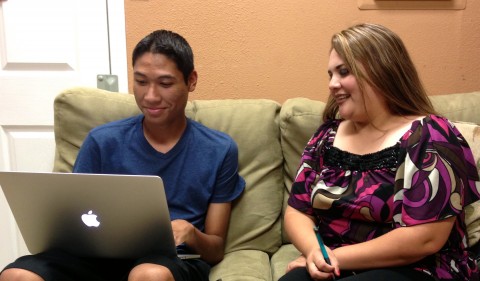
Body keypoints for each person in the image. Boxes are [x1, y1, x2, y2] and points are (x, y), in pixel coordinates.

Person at [0, 30, 245, 281]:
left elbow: (215, 249)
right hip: (95, 259)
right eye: (140, 81)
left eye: (165, 83)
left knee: (148, 275)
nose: (150, 96)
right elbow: (73, 220)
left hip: (170, 262)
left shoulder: (219, 149)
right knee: (17, 275)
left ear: (191, 80)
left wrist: (191, 233)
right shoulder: (101, 141)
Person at [280, 23, 480, 281]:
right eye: (330, 74)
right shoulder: (326, 136)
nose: (332, 84)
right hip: (336, 262)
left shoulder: (432, 136)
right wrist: (313, 252)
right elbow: (297, 210)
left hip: (416, 266)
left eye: (343, 72)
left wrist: (335, 258)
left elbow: (424, 240)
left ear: (381, 70)